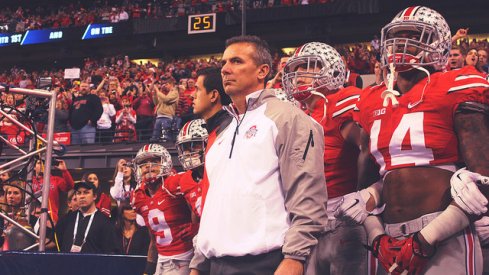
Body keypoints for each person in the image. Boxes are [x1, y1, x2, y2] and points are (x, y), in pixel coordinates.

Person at [352, 6, 489, 274]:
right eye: (397, 36)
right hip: (390, 238)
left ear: (438, 44)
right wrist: (377, 236)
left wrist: (425, 240)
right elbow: (366, 186)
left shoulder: (454, 84)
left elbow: (482, 178)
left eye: (413, 36)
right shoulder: (372, 99)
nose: (401, 43)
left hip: (445, 231)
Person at [196, 35, 328, 275]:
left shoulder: (288, 119)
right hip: (214, 265)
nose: (225, 69)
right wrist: (199, 263)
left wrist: (295, 257)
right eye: (223, 63)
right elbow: (213, 204)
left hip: (265, 264)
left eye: (236, 61)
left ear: (262, 71)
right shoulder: (223, 132)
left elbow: (308, 193)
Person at [282, 42, 372, 274]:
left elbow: (369, 150)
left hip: (341, 218)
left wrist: (363, 194)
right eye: (296, 69)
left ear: (331, 69)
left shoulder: (342, 100)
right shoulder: (298, 114)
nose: (299, 75)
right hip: (304, 224)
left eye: (308, 67)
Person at [131, 144, 197, 275]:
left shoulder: (175, 183)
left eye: (154, 161)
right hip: (161, 260)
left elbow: (198, 209)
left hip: (186, 257)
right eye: (143, 163)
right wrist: (148, 270)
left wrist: (198, 227)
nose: (147, 166)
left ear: (165, 162)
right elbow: (153, 239)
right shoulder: (138, 197)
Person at [56, 181, 118, 254]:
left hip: (93, 264)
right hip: (68, 263)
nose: (82, 196)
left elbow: (111, 251)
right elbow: (56, 243)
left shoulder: (104, 222)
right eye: (79, 193)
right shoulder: (67, 219)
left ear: (94, 196)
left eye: (86, 192)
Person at [32, 159, 74, 223]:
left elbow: (70, 186)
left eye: (45, 163)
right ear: (34, 167)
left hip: (50, 218)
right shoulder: (30, 181)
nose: (43, 165)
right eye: (39, 163)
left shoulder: (55, 180)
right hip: (32, 216)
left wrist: (64, 171)